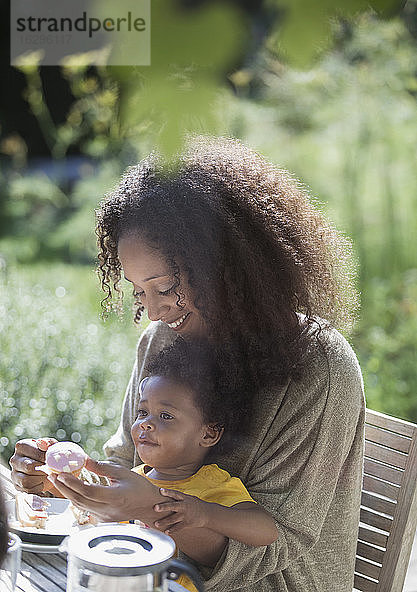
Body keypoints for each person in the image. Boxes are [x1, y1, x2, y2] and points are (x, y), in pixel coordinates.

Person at [10, 136, 365, 592]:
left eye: (164, 287)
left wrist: (148, 506)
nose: (155, 312)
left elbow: (279, 544)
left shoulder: (320, 366)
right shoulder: (160, 342)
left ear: (226, 266)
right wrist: (68, 482)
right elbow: (127, 462)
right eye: (139, 292)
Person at [131, 338, 278, 591]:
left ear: (208, 434)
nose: (145, 423)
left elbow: (266, 531)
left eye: (165, 416)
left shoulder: (211, 483)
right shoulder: (135, 479)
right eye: (143, 413)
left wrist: (204, 514)